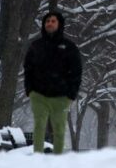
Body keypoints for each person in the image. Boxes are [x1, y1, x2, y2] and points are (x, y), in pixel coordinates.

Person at [23, 11, 82, 154]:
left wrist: (71, 94)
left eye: (53, 21)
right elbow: (28, 69)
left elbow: (76, 71)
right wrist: (30, 90)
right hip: (38, 95)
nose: (49, 23)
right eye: (47, 21)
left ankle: (58, 161)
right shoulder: (35, 46)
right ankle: (38, 158)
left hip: (61, 97)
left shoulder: (69, 47)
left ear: (59, 24)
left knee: (60, 129)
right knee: (39, 126)